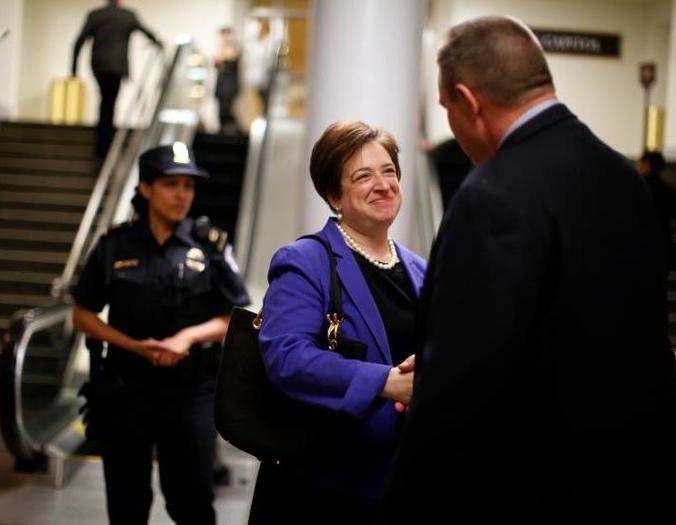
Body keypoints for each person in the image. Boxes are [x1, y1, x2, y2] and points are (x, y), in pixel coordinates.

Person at [381, 16, 676, 520]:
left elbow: (465, 384)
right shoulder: (626, 179)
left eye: (447, 107)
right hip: (633, 476)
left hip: (525, 489)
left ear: (468, 101)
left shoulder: (494, 195)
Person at [249, 121, 426, 524]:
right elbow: (287, 356)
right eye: (363, 176)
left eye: (389, 171)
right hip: (318, 486)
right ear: (334, 195)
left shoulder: (422, 271)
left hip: (398, 480)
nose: (382, 184)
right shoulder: (305, 261)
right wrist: (385, 381)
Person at [72, 142, 250, 525]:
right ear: (146, 188)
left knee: (193, 503)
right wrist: (132, 346)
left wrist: (185, 338)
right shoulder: (114, 245)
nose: (182, 195)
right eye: (172, 184)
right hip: (125, 389)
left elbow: (234, 315)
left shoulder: (210, 245)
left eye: (188, 186)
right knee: (126, 502)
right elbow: (83, 314)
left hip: (190, 392)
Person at [71, 0, 163, 158]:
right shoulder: (127, 15)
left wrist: (73, 70)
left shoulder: (96, 15)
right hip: (118, 66)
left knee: (106, 101)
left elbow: (78, 42)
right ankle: (105, 143)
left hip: (99, 65)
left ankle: (103, 143)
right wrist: (158, 42)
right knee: (110, 101)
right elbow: (146, 31)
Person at [638, 150, 676, 268]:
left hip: (642, 243)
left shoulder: (638, 188)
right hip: (662, 243)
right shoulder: (668, 190)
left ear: (647, 164)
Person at [213, 27, 241, 134]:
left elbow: (228, 61)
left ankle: (230, 130)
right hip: (221, 84)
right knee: (221, 109)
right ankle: (223, 130)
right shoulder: (220, 49)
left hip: (229, 85)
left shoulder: (234, 49)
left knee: (228, 109)